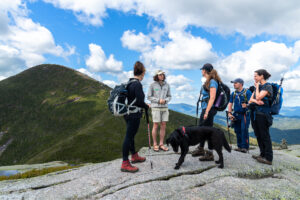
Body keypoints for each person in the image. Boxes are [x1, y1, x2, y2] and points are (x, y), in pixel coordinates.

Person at [121, 61, 150, 173]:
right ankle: (125, 163)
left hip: (127, 113)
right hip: (134, 114)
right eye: (144, 73)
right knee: (129, 136)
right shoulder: (137, 84)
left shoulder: (129, 82)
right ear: (142, 73)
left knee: (131, 135)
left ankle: (134, 155)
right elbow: (139, 101)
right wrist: (146, 106)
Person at [192, 63, 221, 161]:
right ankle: (201, 148)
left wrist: (207, 112)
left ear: (205, 70)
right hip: (206, 108)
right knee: (202, 129)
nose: (201, 71)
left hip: (209, 109)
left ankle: (210, 154)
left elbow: (212, 98)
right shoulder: (209, 81)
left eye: (202, 70)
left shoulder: (212, 82)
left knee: (208, 131)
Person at [248, 69, 273, 165]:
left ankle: (268, 158)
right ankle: (262, 155)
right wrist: (256, 101)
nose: (254, 78)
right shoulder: (258, 86)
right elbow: (251, 100)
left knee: (265, 135)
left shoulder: (267, 86)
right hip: (256, 114)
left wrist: (257, 88)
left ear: (262, 76)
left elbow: (258, 97)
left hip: (264, 115)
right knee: (258, 135)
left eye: (256, 76)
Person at [147, 70, 171, 152]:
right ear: (156, 76)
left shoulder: (167, 85)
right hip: (156, 107)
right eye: (160, 75)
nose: (162, 76)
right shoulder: (152, 85)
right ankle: (155, 144)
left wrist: (165, 100)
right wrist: (158, 100)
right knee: (156, 125)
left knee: (163, 125)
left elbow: (169, 96)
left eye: (163, 74)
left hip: (164, 107)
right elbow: (149, 97)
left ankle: (161, 144)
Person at [227, 78, 252, 153]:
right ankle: (239, 146)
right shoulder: (233, 93)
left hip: (245, 114)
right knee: (237, 130)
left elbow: (251, 103)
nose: (234, 84)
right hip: (236, 114)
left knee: (244, 130)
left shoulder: (247, 92)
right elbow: (230, 103)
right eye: (233, 83)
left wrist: (247, 105)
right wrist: (229, 113)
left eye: (235, 83)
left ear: (241, 84)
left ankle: (245, 147)